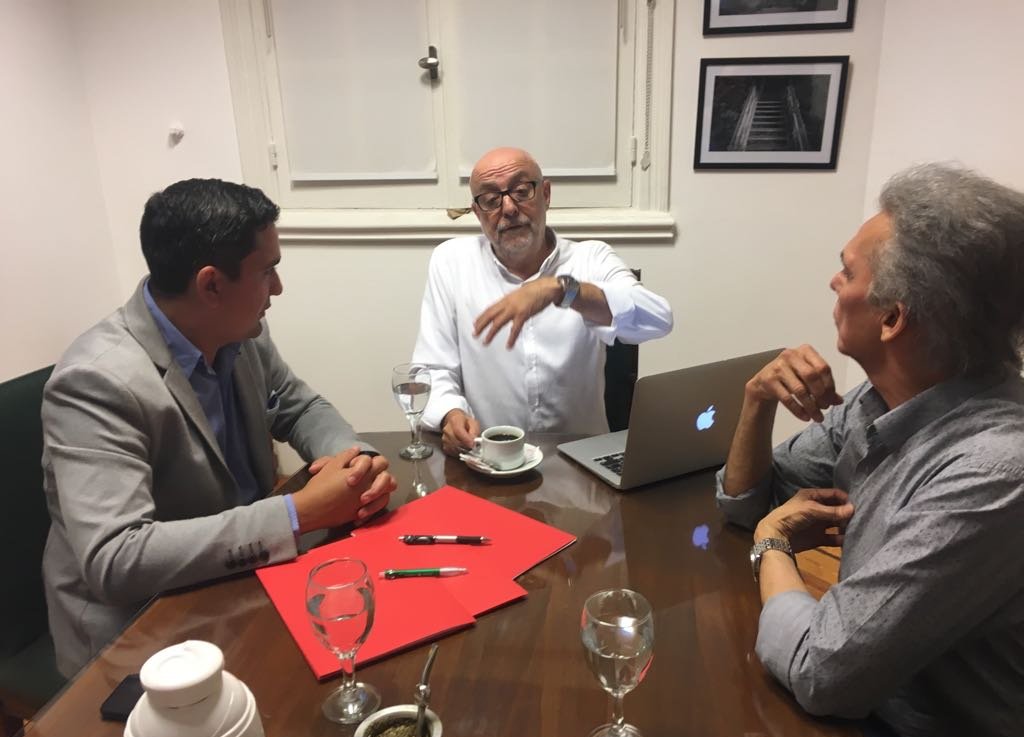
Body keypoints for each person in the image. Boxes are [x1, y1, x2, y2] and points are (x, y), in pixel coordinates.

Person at [716, 163, 1024, 737]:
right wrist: (755, 401)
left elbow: (821, 669)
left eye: (849, 271)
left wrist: (771, 545)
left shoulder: (994, 474)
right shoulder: (881, 398)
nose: (833, 282)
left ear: (893, 318)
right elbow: (746, 502)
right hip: (867, 708)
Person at [41, 179, 396, 676]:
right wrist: (297, 514)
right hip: (141, 633)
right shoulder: (95, 381)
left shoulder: (239, 330)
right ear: (211, 285)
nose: (277, 288)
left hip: (239, 584)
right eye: (267, 270)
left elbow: (300, 407)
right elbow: (116, 560)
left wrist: (354, 462)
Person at [412, 147, 673, 455]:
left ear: (546, 194)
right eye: (491, 199)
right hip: (490, 459)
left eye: (522, 191)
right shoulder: (451, 262)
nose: (509, 208)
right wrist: (450, 414)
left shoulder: (591, 258)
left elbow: (658, 319)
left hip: (580, 460)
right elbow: (433, 367)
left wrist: (564, 290)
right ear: (478, 212)